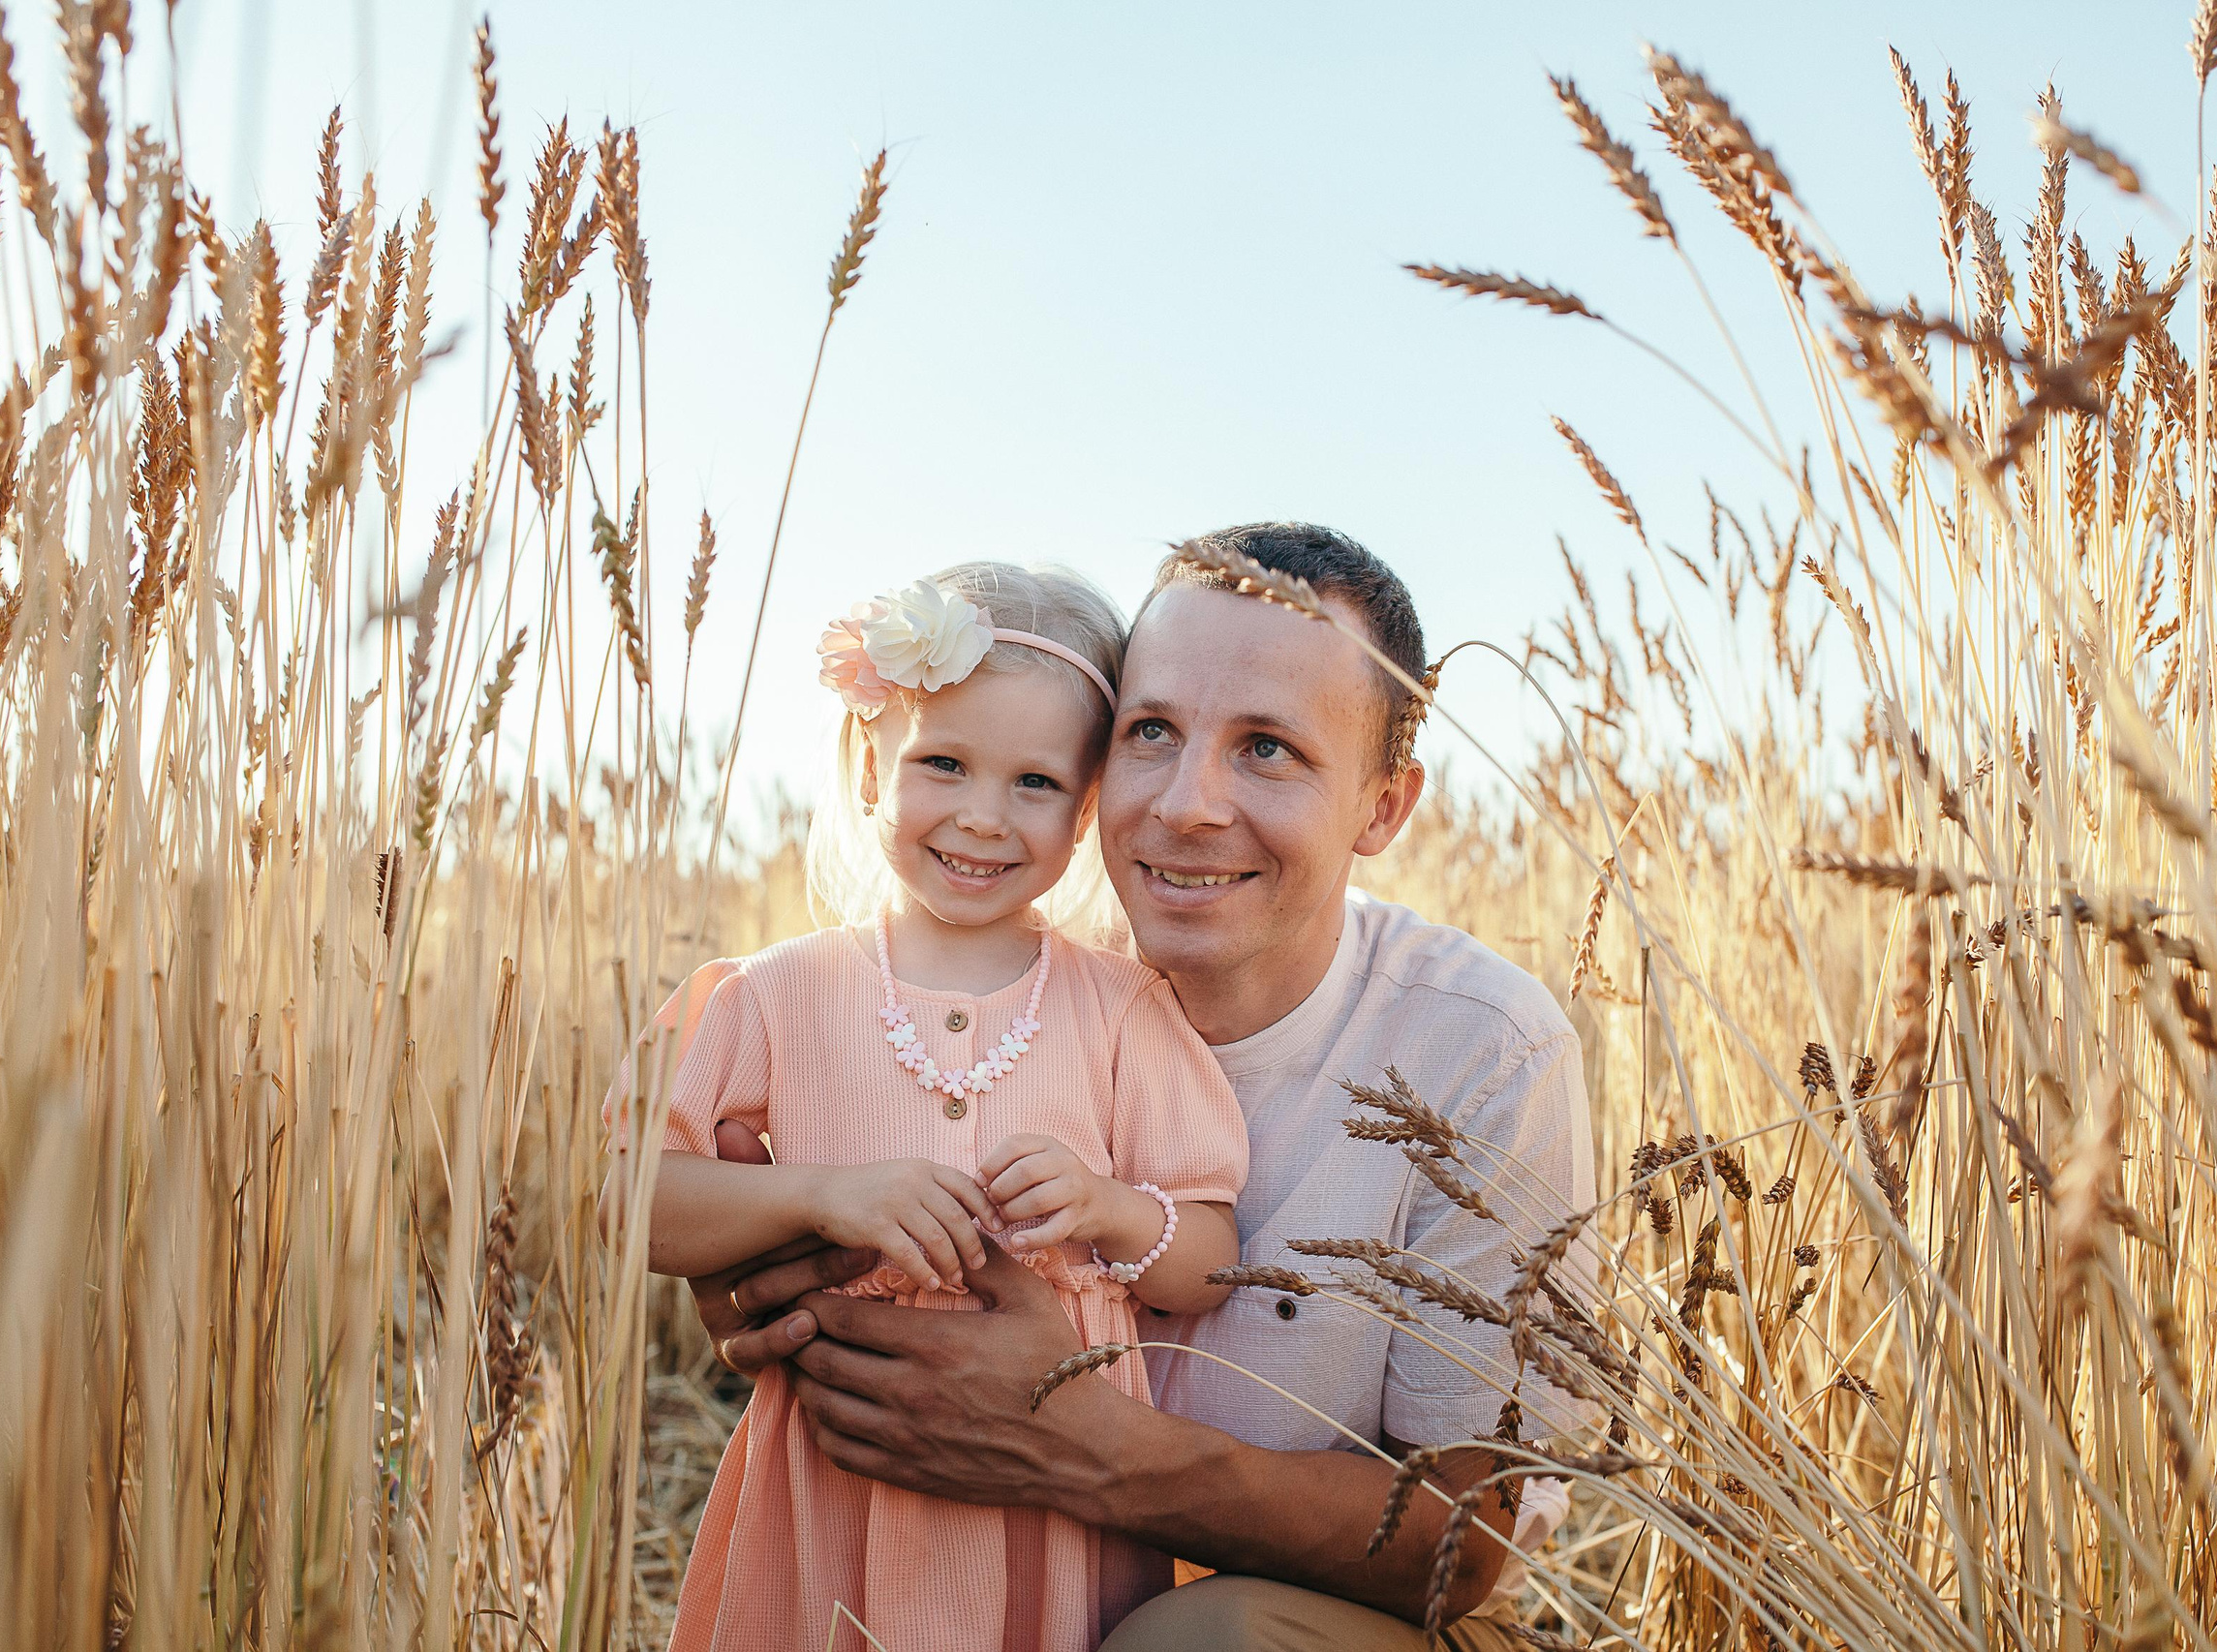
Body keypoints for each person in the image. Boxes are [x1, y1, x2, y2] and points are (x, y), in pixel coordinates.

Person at [683, 524, 1595, 1649]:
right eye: (1151, 732)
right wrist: (782, 1287)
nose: (1185, 803)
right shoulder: (994, 966)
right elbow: (726, 1234)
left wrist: (1083, 1442)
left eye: (1268, 748)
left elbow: (1466, 1543)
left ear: (1382, 805)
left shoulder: (1484, 1049)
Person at [610, 564, 1250, 1652]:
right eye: (942, 762)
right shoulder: (777, 992)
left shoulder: (1121, 1007)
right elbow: (631, 1201)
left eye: (1035, 783)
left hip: (1047, 1498)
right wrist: (819, 1194)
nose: (981, 816)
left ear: (1087, 803)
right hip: (835, 1473)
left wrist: (1106, 1206)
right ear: (870, 765)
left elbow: (1211, 1256)